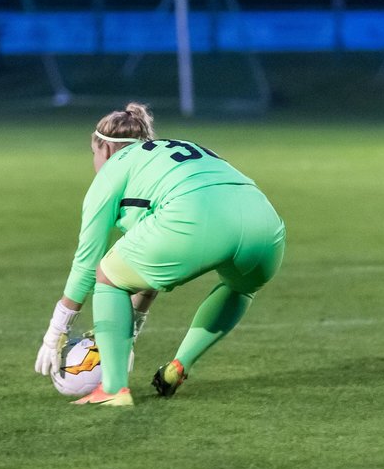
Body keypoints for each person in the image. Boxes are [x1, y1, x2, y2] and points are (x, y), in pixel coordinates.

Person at [33, 103, 286, 407]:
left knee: (106, 274)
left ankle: (114, 389)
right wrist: (129, 328)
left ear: (106, 149)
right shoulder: (170, 152)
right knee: (240, 287)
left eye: (93, 154)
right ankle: (178, 368)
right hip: (265, 223)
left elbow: (88, 262)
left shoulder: (114, 168)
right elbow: (146, 266)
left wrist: (57, 329)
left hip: (196, 214)